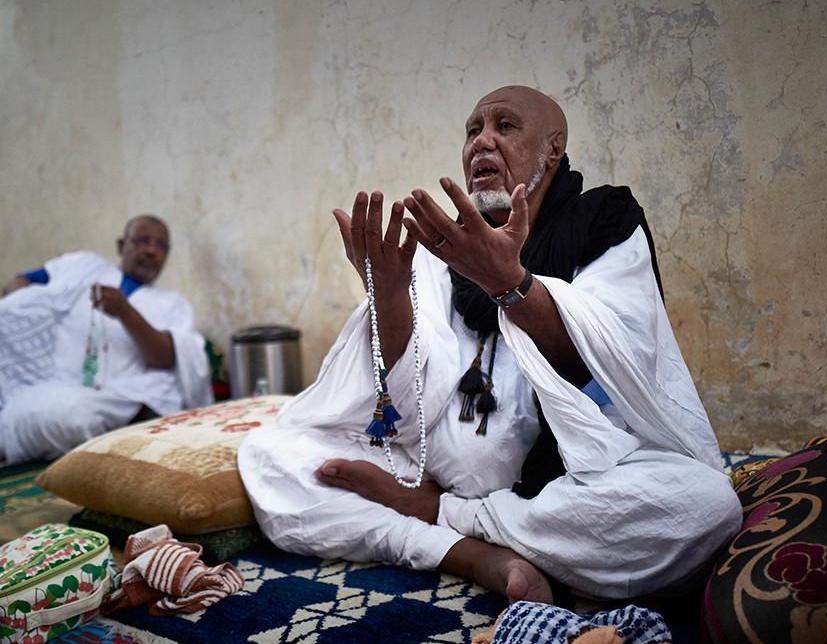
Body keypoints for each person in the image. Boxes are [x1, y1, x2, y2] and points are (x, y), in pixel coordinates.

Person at [239, 86, 742, 602]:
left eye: (504, 126)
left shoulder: (603, 222)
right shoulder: (439, 248)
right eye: (472, 130)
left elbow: (614, 359)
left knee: (702, 507)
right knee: (271, 459)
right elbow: (405, 411)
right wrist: (388, 295)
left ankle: (444, 517)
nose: (482, 141)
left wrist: (510, 283)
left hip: (557, 483)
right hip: (428, 465)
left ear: (553, 148)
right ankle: (474, 555)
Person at [0, 214, 212, 464]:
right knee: (23, 410)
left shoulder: (173, 304)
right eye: (143, 241)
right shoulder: (83, 267)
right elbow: (20, 284)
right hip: (53, 382)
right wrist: (27, 311)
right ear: (122, 246)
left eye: (161, 246)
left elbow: (166, 358)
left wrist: (125, 312)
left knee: (76, 416)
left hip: (113, 395)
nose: (151, 251)